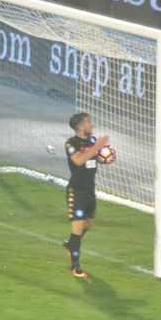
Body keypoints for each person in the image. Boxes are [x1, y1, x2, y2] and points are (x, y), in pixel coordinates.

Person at [62, 112, 112, 278]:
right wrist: (97, 147)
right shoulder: (71, 143)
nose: (92, 125)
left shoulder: (92, 141)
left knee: (88, 224)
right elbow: (78, 160)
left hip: (90, 190)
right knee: (77, 227)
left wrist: (107, 158)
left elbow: (97, 158)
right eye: (89, 122)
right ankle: (75, 267)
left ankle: (71, 244)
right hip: (76, 191)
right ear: (81, 127)